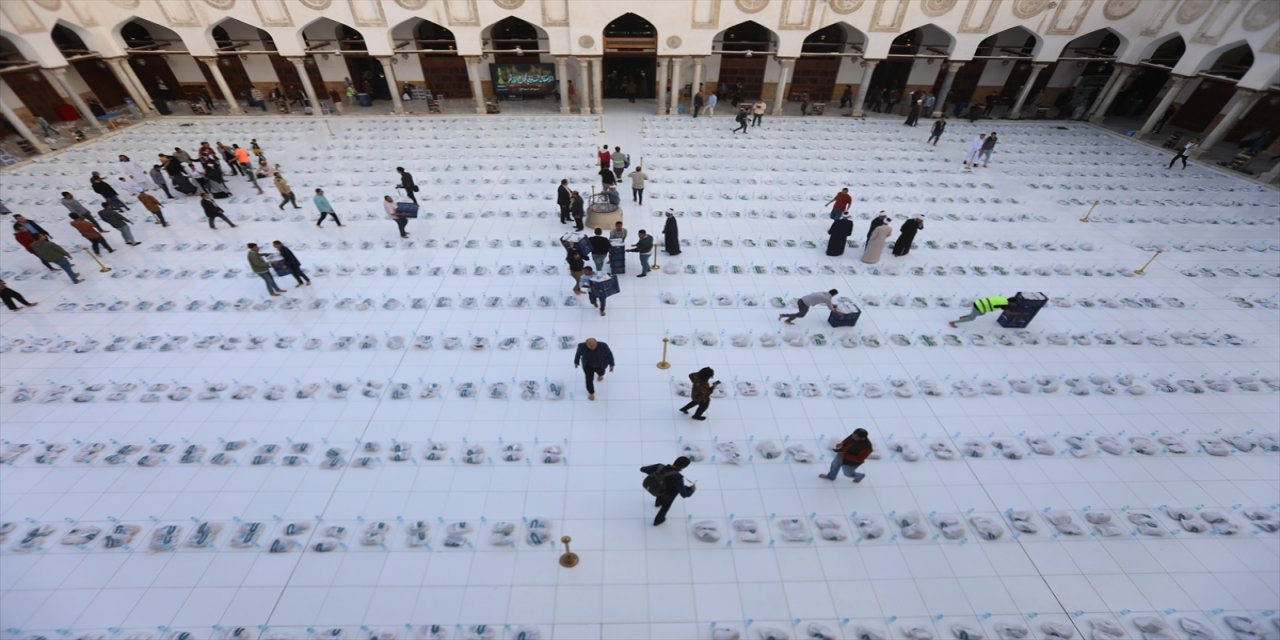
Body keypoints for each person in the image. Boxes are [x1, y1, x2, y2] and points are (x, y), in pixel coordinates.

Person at [640, 456, 696, 526]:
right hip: (669, 494)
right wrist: (691, 490)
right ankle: (658, 520)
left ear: (675, 461)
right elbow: (684, 494)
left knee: (660, 489)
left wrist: (655, 476)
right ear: (684, 467)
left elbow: (642, 469)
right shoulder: (678, 478)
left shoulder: (659, 466)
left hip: (656, 489)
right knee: (665, 506)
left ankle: (658, 503)